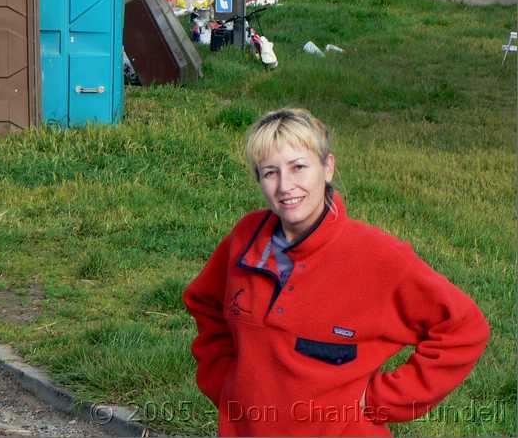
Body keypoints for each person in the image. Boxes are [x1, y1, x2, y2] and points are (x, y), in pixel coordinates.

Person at [183, 108, 489, 436]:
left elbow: (463, 329)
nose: (286, 186)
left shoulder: (377, 256)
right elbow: (205, 304)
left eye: (299, 167)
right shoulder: (246, 238)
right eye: (270, 172)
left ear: (327, 167)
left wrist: (381, 400)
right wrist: (226, 383)